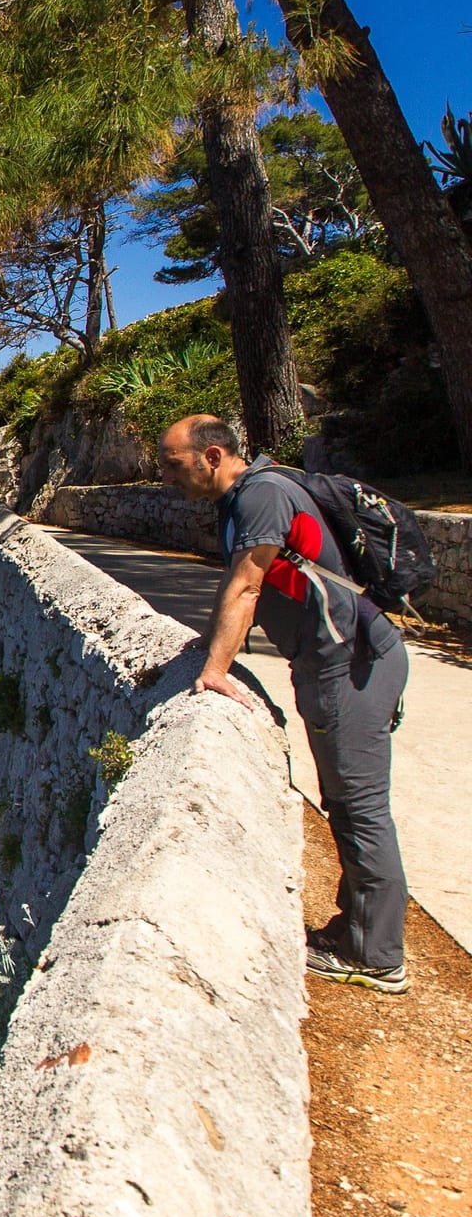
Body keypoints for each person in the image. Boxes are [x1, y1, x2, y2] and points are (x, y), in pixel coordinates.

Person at [159, 414, 411, 994]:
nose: (167, 477)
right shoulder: (244, 496)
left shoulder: (262, 495)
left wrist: (214, 671)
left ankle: (377, 956)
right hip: (336, 660)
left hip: (349, 661)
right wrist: (210, 642)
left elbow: (248, 585)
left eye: (173, 465)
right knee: (344, 801)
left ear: (212, 456)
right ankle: (355, 928)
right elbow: (245, 586)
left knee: (360, 807)